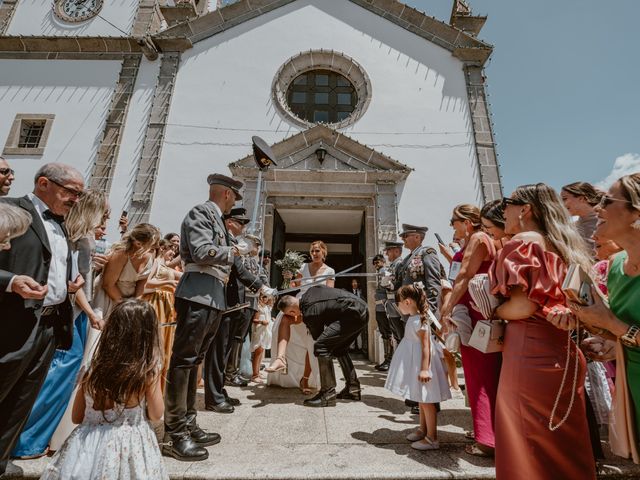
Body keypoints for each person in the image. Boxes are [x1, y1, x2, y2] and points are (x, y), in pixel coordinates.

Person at [163, 173, 272, 461]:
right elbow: (200, 251)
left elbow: (230, 261)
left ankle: (188, 423)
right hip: (197, 291)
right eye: (235, 197)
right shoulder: (201, 212)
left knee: (195, 360)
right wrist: (234, 249)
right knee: (184, 361)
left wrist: (258, 284)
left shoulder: (216, 220)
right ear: (226, 194)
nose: (234, 203)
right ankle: (173, 433)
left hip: (213, 294)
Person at [490, 183, 596, 479]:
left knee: (527, 446)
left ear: (525, 209)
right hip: (562, 351)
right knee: (560, 447)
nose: (503, 211)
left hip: (529, 352)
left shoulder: (524, 241)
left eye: (506, 203)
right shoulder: (563, 244)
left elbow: (522, 307)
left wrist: (494, 310)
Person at [0, 163, 85, 475]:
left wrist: (69, 285)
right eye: (71, 192)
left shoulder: (62, 223)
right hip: (12, 321)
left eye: (80, 193)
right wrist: (10, 281)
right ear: (44, 183)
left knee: (23, 398)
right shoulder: (8, 209)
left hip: (49, 324)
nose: (76, 199)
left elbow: (51, 264)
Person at [12, 190, 109, 459]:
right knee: (58, 375)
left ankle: (41, 436)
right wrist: (90, 313)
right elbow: (73, 283)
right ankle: (28, 439)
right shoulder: (77, 237)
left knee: (63, 374)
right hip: (74, 311)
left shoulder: (78, 235)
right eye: (104, 213)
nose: (106, 219)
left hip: (77, 309)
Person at [41, 300, 168, 479]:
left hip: (87, 445)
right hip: (130, 444)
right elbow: (156, 414)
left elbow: (77, 416)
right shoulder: (146, 372)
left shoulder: (91, 370)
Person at [564, 173, 640, 462]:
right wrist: (606, 340)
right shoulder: (617, 266)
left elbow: (620, 325)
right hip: (631, 389)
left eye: (608, 200)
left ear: (637, 212)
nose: (598, 208)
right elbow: (624, 329)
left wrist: (612, 326)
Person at [440, 204, 500, 457]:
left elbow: (464, 274)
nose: (451, 225)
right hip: (476, 312)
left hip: (474, 314)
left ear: (466, 221)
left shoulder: (478, 237)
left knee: (479, 375)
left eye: (453, 220)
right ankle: (485, 431)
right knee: (482, 373)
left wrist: (447, 308)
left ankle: (487, 440)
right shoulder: (482, 239)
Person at [204, 208, 267, 413]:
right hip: (227, 303)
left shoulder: (232, 242)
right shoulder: (227, 242)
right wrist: (261, 287)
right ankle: (214, 396)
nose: (243, 228)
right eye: (240, 224)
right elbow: (238, 271)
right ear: (230, 222)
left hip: (234, 304)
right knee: (218, 351)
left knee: (225, 350)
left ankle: (220, 391)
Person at [277, 285, 368, 407]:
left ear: (292, 312)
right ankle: (353, 389)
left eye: (289, 314)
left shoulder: (309, 312)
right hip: (362, 309)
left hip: (352, 314)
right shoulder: (311, 290)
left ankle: (327, 394)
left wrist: (301, 320)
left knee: (321, 347)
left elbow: (318, 338)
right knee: (339, 349)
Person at [385, 284, 451, 450]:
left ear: (407, 302)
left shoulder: (419, 321)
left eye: (398, 303)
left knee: (426, 400)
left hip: (421, 363)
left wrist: (424, 369)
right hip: (415, 362)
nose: (398, 307)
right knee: (420, 398)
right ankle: (423, 429)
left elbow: (426, 347)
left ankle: (432, 438)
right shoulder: (414, 319)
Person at [266, 241, 334, 394]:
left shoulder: (330, 271)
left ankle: (305, 379)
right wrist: (289, 278)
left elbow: (330, 294)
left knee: (311, 346)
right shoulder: (303, 267)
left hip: (317, 309)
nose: (314, 253)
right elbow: (293, 286)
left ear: (324, 252)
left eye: (317, 250)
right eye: (312, 251)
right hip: (298, 305)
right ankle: (280, 358)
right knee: (284, 319)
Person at [92, 223, 159, 319]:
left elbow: (142, 283)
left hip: (130, 299)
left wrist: (135, 304)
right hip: (110, 297)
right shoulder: (121, 253)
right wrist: (125, 305)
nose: (157, 246)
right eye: (153, 243)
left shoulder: (151, 254)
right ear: (138, 243)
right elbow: (108, 284)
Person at [141, 239, 182, 393]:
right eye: (172, 249)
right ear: (163, 248)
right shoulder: (156, 262)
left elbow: (183, 275)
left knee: (166, 348)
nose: (173, 253)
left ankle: (160, 392)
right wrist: (166, 283)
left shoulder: (165, 265)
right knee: (155, 345)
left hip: (167, 305)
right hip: (156, 304)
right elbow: (145, 284)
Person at [561, 181, 603, 251]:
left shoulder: (606, 219)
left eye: (564, 199)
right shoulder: (572, 228)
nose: (562, 204)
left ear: (581, 198)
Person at [373, 253, 395, 371]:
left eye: (378, 262)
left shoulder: (385, 272)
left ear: (383, 261)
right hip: (379, 307)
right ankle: (387, 359)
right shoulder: (379, 273)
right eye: (375, 263)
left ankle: (389, 360)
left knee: (388, 333)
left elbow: (389, 287)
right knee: (384, 333)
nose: (376, 265)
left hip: (385, 307)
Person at [251, 293, 274, 383]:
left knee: (261, 351)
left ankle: (258, 371)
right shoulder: (258, 308)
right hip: (259, 331)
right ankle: (254, 375)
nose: (265, 299)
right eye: (263, 297)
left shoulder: (266, 307)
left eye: (266, 297)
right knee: (258, 351)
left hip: (265, 330)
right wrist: (261, 321)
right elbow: (254, 320)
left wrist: (271, 319)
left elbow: (266, 316)